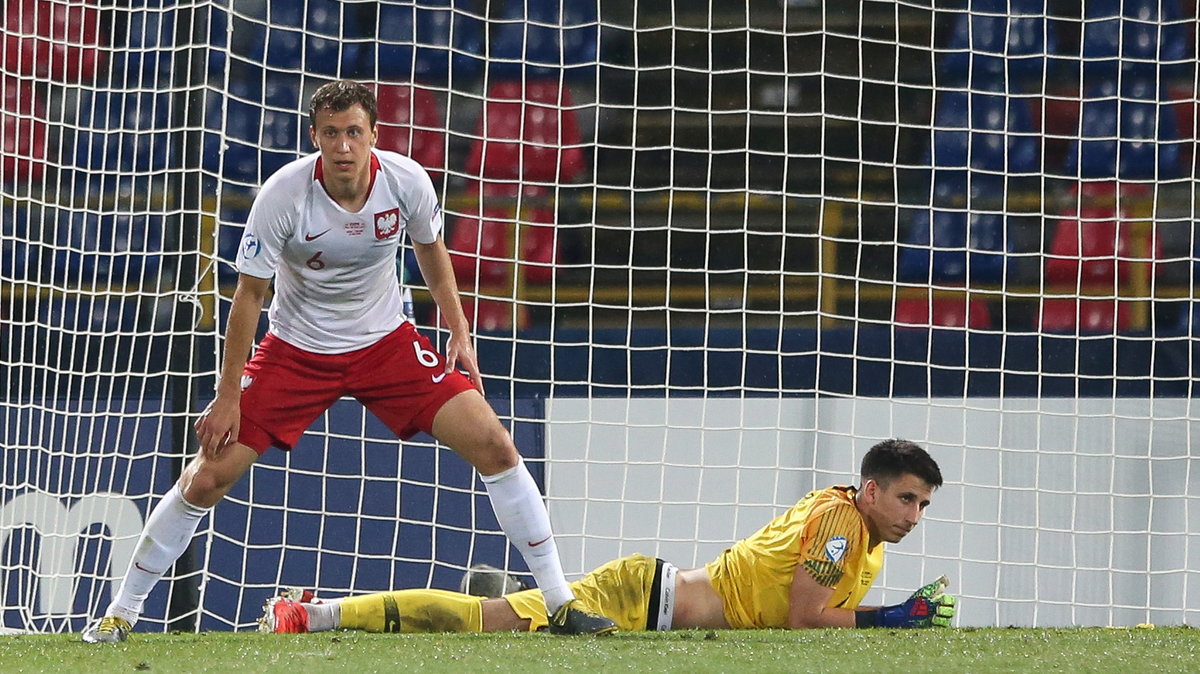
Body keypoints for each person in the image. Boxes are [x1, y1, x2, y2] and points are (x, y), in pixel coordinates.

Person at [81, 80, 615, 642]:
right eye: (331, 134)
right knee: (207, 476)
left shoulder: (406, 180)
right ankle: (121, 614)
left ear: (373, 136)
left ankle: (560, 605)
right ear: (314, 137)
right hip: (296, 351)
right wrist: (228, 395)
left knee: (497, 444)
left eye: (354, 133)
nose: (343, 146)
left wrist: (458, 329)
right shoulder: (283, 195)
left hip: (387, 344)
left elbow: (431, 248)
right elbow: (248, 297)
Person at [260, 439, 957, 634]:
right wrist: (893, 618)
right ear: (871, 490)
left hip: (653, 597)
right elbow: (808, 617)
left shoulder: (849, 525)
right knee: (483, 624)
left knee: (502, 615)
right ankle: (313, 614)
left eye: (922, 506)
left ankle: (516, 592)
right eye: (905, 498)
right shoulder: (842, 524)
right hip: (645, 603)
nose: (912, 515)